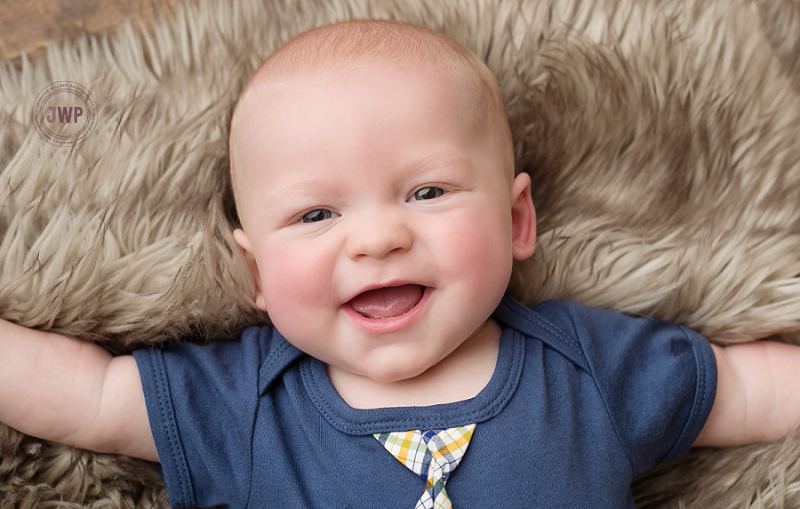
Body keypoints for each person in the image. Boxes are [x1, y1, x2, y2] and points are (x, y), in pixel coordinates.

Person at [2, 19, 800, 509]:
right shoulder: (245, 403)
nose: (376, 238)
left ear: (517, 218)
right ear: (253, 274)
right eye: (316, 214)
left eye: (426, 190)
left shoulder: (589, 367)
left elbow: (744, 387)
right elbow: (90, 396)